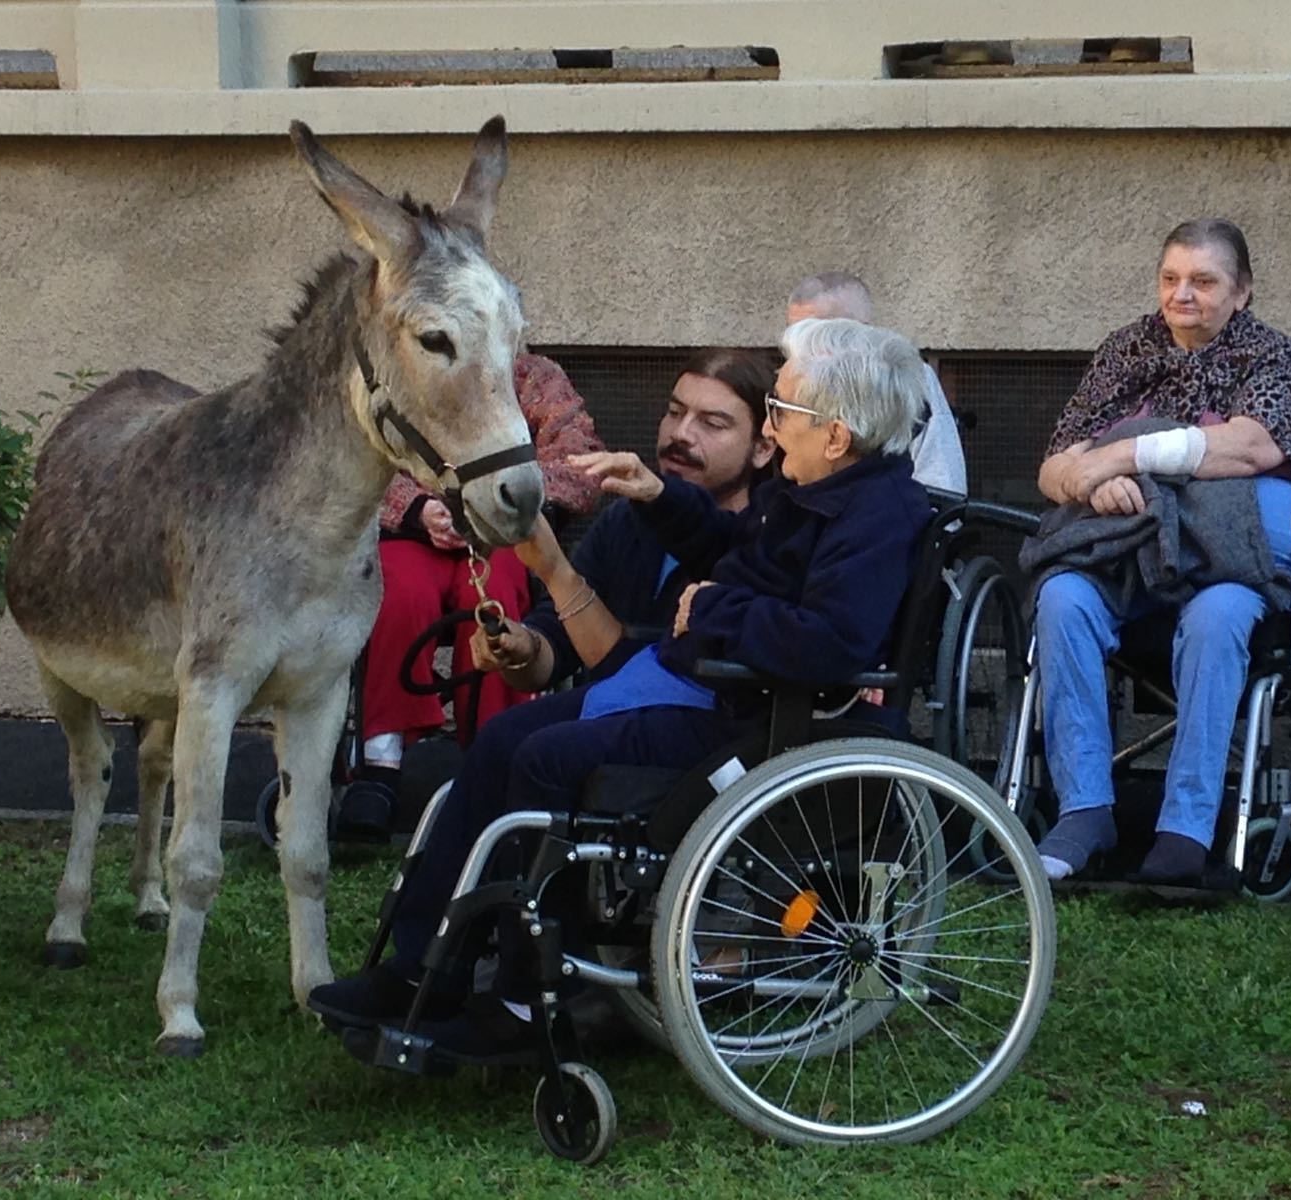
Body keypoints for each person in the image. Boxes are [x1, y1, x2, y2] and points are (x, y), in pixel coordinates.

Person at [309, 319, 934, 1048]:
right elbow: (737, 551)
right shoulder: (815, 488)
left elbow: (832, 642)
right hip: (704, 683)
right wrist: (659, 499)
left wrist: (715, 608)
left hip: (759, 715)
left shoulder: (877, 515)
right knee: (507, 735)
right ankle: (421, 966)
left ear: (835, 435)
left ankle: (523, 1001)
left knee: (546, 760)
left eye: (782, 413)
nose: (773, 425)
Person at [1027, 218, 1291, 886]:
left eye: (1203, 280)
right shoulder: (1125, 350)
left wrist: (1125, 455)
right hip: (1127, 555)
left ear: (1242, 292)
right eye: (1171, 278)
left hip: (1223, 559)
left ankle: (1186, 826)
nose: (1182, 294)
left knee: (1219, 617)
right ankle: (1084, 812)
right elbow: (1056, 468)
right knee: (1061, 597)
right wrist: (1097, 482)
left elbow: (1252, 448)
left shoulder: (1272, 356)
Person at [336, 352, 603, 839]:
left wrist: (504, 503)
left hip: (501, 538)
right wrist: (416, 509)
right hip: (415, 536)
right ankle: (379, 762)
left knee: (497, 599)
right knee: (398, 591)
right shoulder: (405, 377)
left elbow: (579, 460)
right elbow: (357, 455)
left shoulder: (534, 378)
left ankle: (494, 752)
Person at [469, 348, 778, 698]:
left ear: (763, 448)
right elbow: (558, 643)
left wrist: (556, 573)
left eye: (712, 424)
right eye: (675, 413)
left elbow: (640, 678)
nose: (682, 434)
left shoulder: (768, 540)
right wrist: (524, 647)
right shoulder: (626, 520)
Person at [785, 272, 967, 494]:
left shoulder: (905, 378)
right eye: (794, 337)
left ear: (862, 329)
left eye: (813, 337)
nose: (798, 354)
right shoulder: (789, 383)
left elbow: (942, 483)